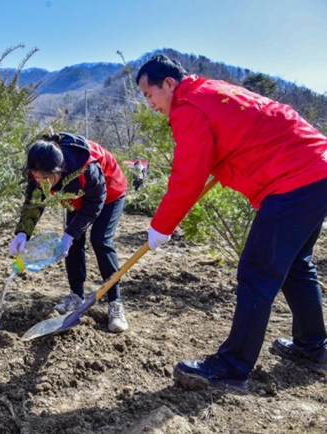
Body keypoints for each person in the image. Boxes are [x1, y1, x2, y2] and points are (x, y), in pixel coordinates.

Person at [136, 54, 327, 389]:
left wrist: (160, 227)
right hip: (317, 168)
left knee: (256, 272)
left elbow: (187, 179)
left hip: (295, 179)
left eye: (149, 94)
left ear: (168, 83)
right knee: (296, 265)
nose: (150, 104)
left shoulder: (190, 107)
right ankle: (313, 347)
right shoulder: (210, 91)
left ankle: (231, 366)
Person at [9, 130, 130, 332]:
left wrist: (69, 234)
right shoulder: (39, 168)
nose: (41, 182)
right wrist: (23, 232)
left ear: (60, 169)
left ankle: (115, 303)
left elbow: (94, 204)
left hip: (109, 194)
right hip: (76, 198)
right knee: (73, 244)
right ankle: (76, 295)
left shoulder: (86, 168)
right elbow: (34, 201)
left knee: (100, 240)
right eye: (36, 177)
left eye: (46, 178)